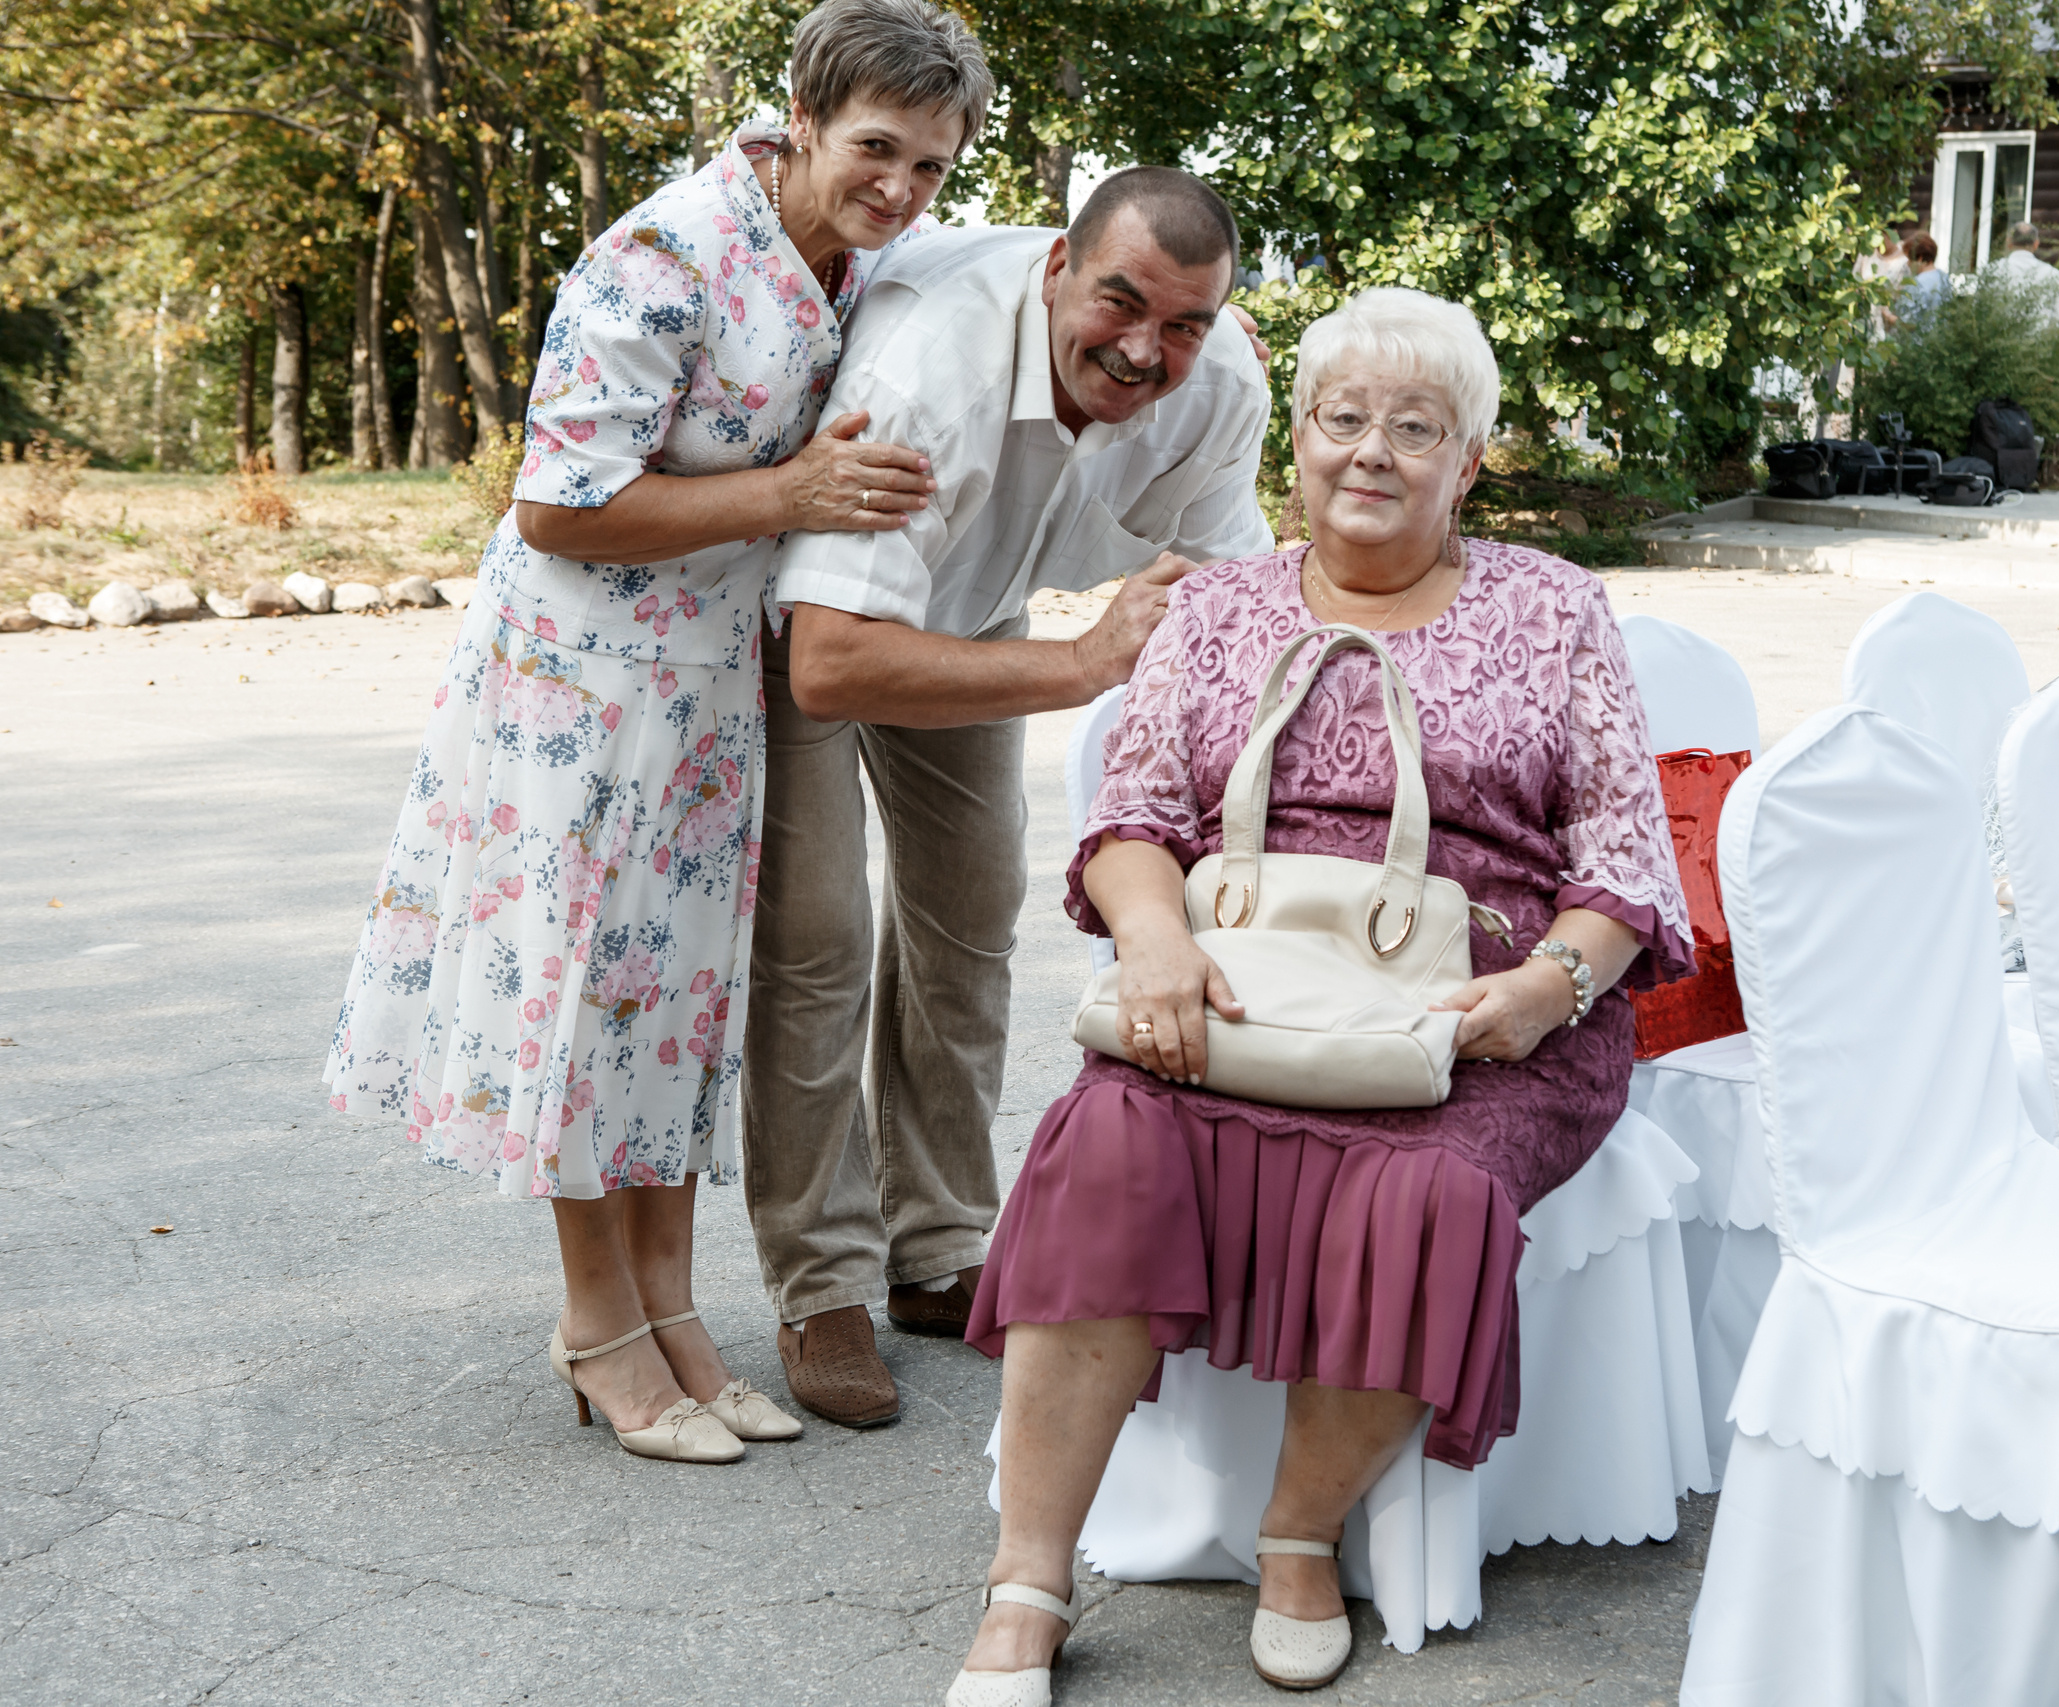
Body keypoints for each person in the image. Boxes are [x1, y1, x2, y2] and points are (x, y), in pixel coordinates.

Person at [943, 287, 1692, 1704]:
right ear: (1297, 442)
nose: (1373, 450)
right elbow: (1134, 815)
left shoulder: (1554, 607)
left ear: (1471, 460)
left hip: (1471, 1011)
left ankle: (1300, 1536)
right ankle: (1028, 1575)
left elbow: (1625, 862)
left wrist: (1549, 982)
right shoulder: (1218, 606)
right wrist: (1153, 945)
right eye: (1344, 418)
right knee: (1106, 1140)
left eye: (1417, 427)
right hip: (1233, 970)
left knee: (1428, 1188)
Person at [322, 0, 989, 1462]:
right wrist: (789, 496)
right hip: (582, 689)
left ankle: (678, 1314)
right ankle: (596, 1325)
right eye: (877, 149)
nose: (900, 187)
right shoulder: (662, 254)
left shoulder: (860, 256)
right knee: (585, 1001)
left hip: (709, 691)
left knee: (672, 1014)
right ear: (804, 116)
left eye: (931, 166)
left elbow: (1003, 279)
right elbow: (556, 502)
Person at [748, 167, 1275, 1430]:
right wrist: (1089, 661)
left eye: (1185, 323)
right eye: (1118, 303)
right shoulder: (931, 372)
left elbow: (1217, 605)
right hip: (809, 619)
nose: (1146, 351)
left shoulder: (1223, 387)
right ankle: (820, 1282)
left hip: (975, 614)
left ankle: (937, 1243)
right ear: (1055, 269)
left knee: (971, 909)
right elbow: (828, 665)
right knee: (819, 933)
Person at [1987, 221, 2059, 321]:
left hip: (2001, 334)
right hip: (2039, 336)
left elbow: (1981, 308)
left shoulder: (1992, 270)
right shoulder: (2052, 274)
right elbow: (2055, 316)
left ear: (2009, 242)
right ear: (2036, 244)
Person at [1882, 233, 1946, 332]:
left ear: (1920, 258)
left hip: (1919, 343)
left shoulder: (1916, 284)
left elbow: (1908, 325)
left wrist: (1888, 316)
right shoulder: (1944, 278)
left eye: (1909, 259)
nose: (1908, 263)